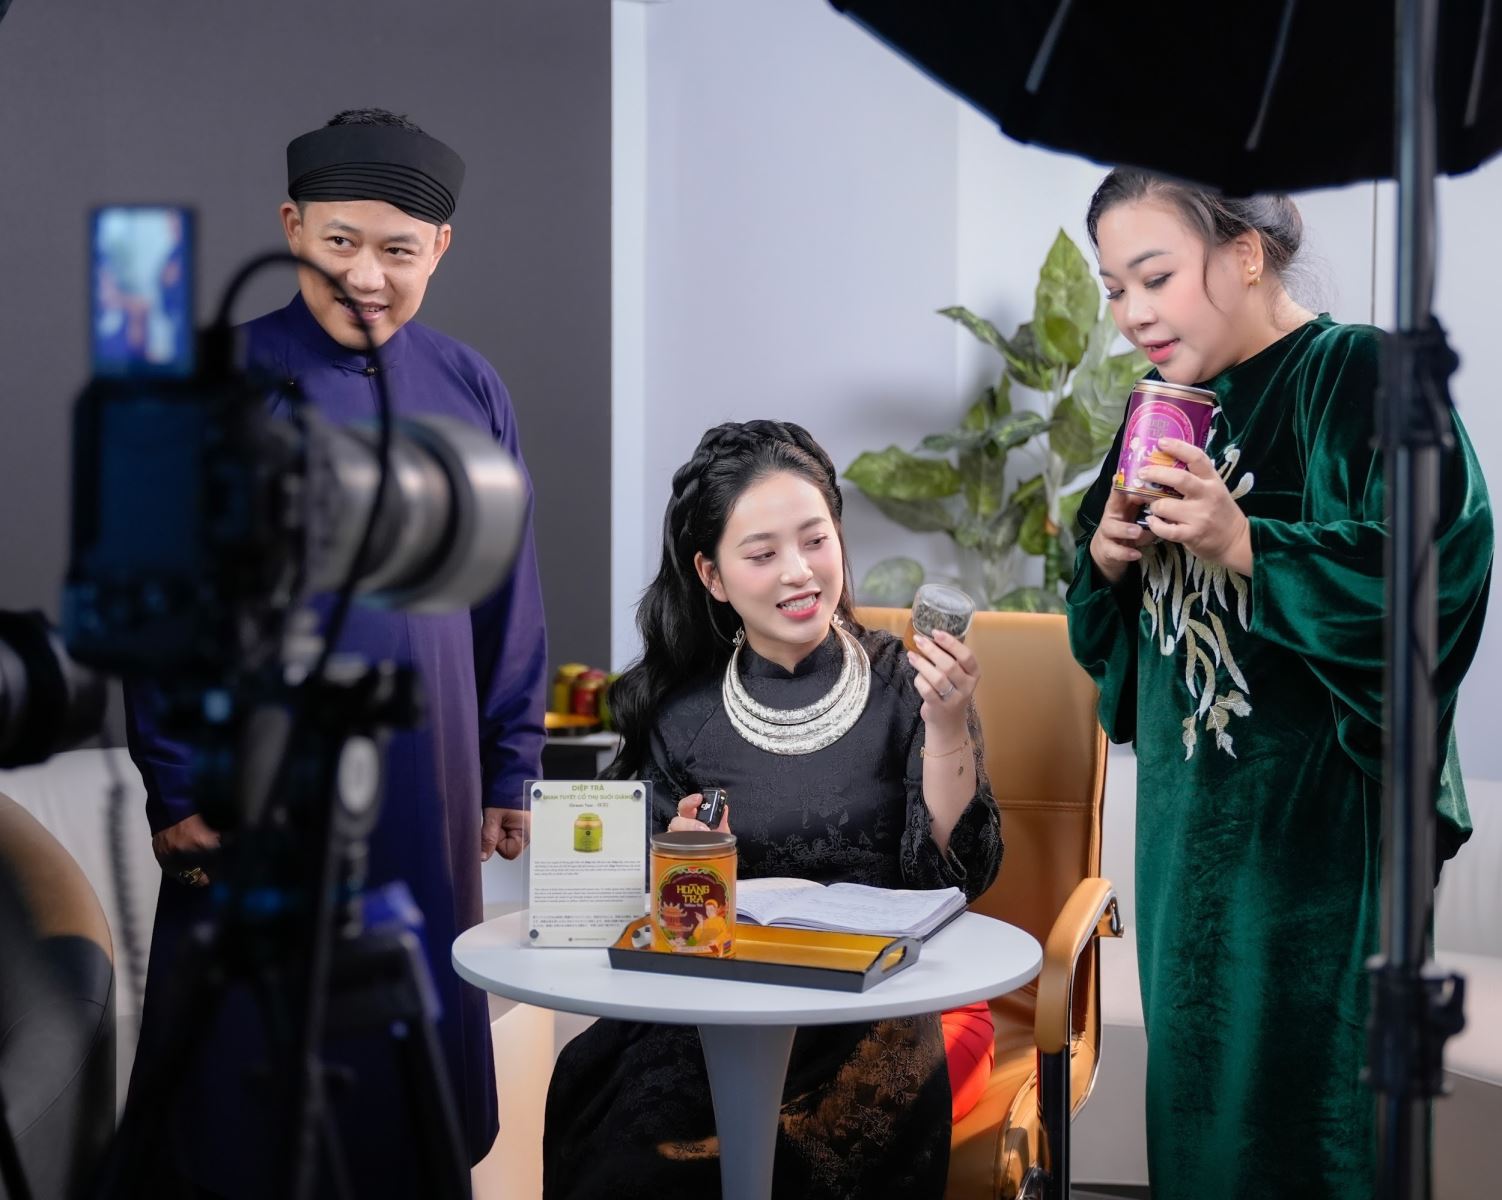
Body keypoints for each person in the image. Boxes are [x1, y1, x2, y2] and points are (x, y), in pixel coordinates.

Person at [122, 108, 548, 1196]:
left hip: (424, 790)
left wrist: (510, 765)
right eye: (340, 242)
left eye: (397, 250)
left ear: (438, 249)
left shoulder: (471, 388)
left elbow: (506, 594)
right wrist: (175, 782)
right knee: (240, 1107)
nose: (366, 275)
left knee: (409, 1090)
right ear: (292, 228)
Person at [1067, 168, 1494, 1198]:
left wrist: (1250, 542)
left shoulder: (1357, 372)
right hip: (1184, 849)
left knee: (1310, 1135)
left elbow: (1443, 563)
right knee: (1196, 1129)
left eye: (1154, 277)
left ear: (1246, 254)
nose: (1130, 314)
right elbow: (1112, 644)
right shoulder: (1163, 408)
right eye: (1113, 288)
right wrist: (1106, 562)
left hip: (1314, 862)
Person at [543, 420, 1003, 1199]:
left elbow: (959, 876)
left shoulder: (906, 684)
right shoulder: (680, 710)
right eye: (761, 555)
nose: (799, 572)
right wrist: (680, 858)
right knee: (634, 1161)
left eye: (815, 540)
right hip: (713, 1015)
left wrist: (948, 724)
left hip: (872, 1012)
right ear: (713, 575)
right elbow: (640, 910)